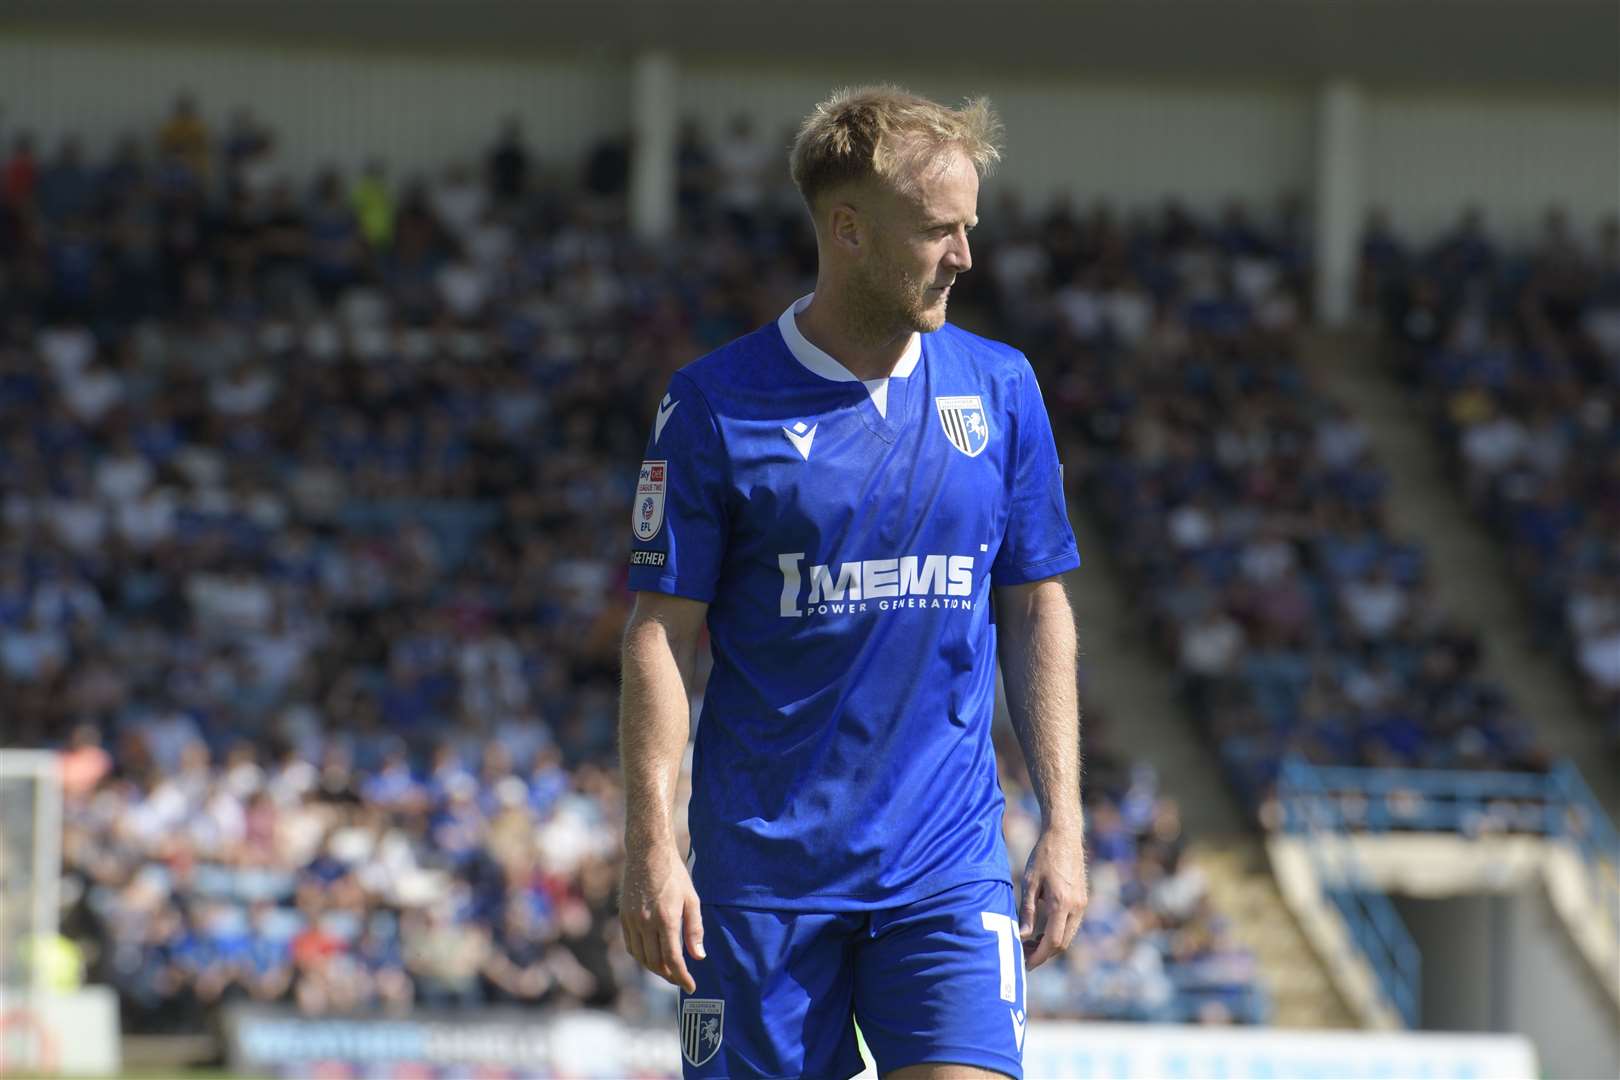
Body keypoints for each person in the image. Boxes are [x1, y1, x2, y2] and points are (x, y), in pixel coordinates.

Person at [619, 86, 1088, 1079]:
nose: (964, 256)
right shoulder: (713, 405)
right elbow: (658, 636)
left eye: (968, 227)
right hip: (765, 878)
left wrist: (1065, 820)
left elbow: (1038, 603)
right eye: (936, 231)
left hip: (945, 864)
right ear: (849, 232)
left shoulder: (1001, 388)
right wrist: (651, 848)